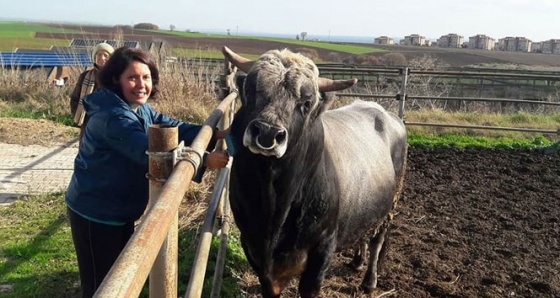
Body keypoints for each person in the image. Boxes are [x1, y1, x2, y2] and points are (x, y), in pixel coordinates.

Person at [65, 47, 230, 298]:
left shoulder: (135, 107)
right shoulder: (113, 116)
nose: (141, 84)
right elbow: (150, 155)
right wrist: (205, 159)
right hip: (95, 212)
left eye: (146, 77)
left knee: (118, 273)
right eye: (132, 77)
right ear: (115, 79)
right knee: (101, 284)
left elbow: (170, 126)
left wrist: (214, 133)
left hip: (118, 208)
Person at [70, 42, 114, 138]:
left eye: (105, 55)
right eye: (99, 55)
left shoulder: (116, 78)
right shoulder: (85, 76)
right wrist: (78, 115)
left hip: (110, 125)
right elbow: (75, 98)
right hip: (88, 124)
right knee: (86, 150)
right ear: (95, 57)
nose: (102, 58)